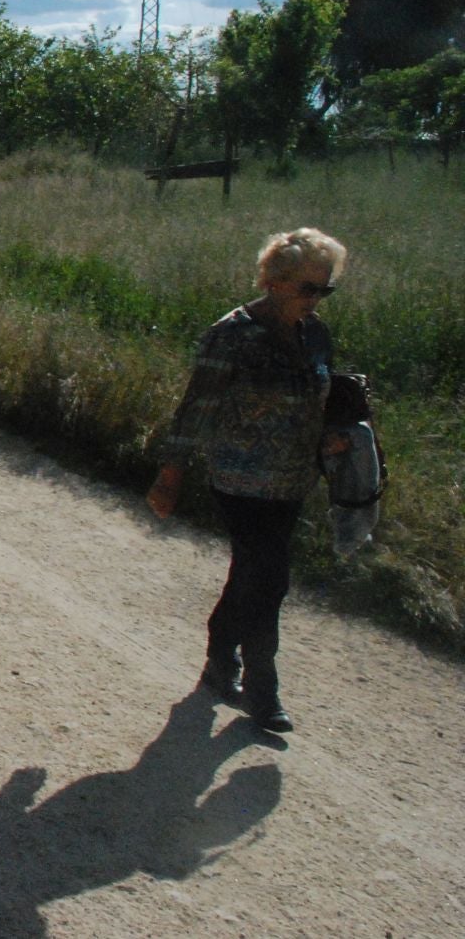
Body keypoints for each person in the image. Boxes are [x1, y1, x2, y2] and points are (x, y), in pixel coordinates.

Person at [148, 227, 348, 734]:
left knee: (252, 576)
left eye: (324, 289)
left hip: (292, 479)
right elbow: (196, 409)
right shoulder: (232, 335)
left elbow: (317, 398)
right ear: (276, 281)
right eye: (309, 288)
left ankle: (219, 655)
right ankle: (263, 691)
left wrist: (331, 439)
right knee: (271, 579)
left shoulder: (316, 335)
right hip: (238, 478)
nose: (316, 299)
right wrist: (170, 477)